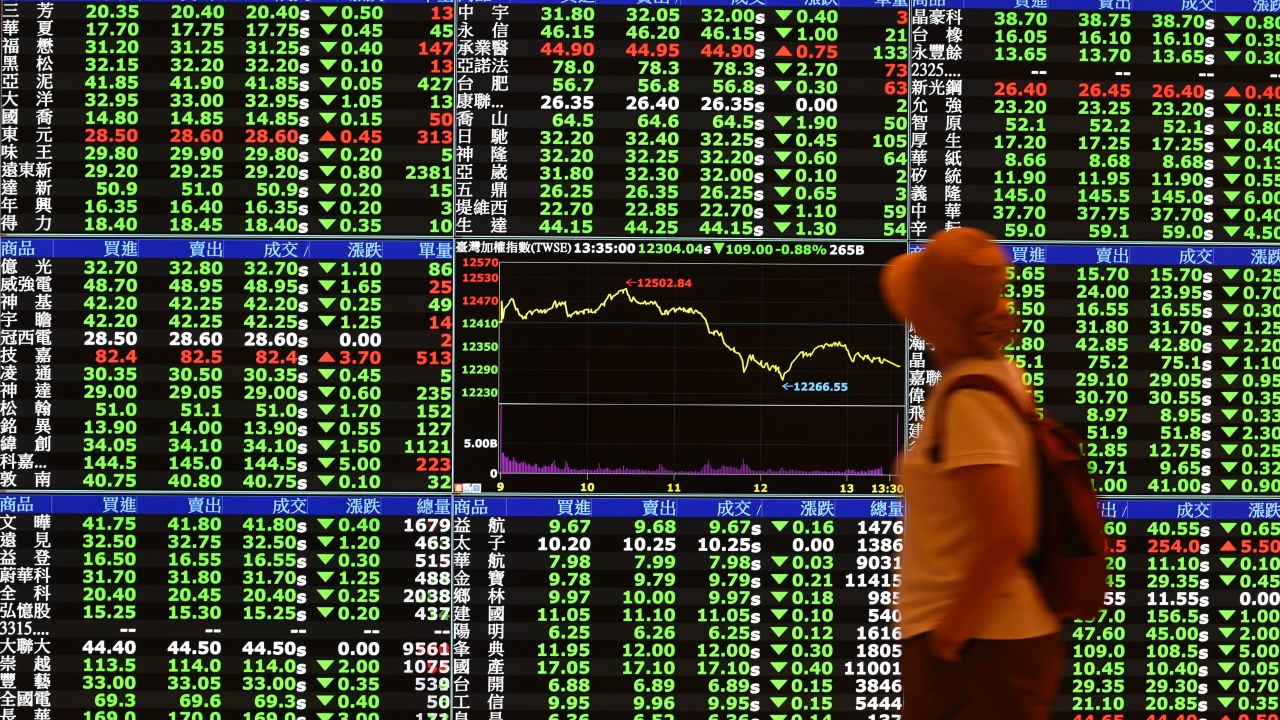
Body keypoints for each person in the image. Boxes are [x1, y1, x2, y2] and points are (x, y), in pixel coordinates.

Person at [879, 227, 1064, 720]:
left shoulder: (970, 399)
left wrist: (948, 639)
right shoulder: (998, 376)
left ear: (929, 322)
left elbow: (1005, 535)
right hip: (990, 648)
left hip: (980, 653)